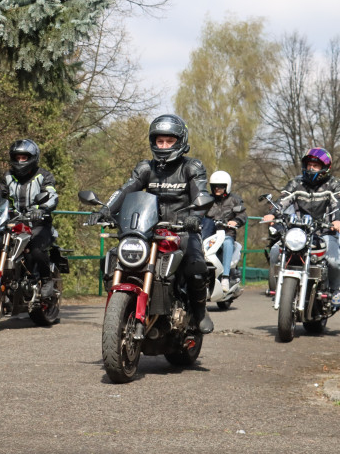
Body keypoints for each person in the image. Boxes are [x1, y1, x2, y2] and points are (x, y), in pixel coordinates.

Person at [96, 114, 215, 334]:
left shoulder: (192, 167)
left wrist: (195, 217)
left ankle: (199, 312)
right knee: (113, 258)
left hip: (181, 230)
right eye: (160, 141)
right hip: (148, 230)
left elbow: (201, 194)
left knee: (195, 266)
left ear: (180, 142)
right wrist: (105, 210)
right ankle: (124, 308)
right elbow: (126, 190)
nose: (164, 146)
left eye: (169, 141)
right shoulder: (145, 168)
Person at [262, 147, 340, 307]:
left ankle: (336, 290)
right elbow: (284, 199)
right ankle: (276, 286)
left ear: (325, 168)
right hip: (299, 232)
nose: (311, 168)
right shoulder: (296, 183)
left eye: (315, 165)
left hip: (324, 231)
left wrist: (337, 220)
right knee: (274, 251)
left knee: (334, 261)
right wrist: (273, 213)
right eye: (309, 165)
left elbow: (338, 203)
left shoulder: (333, 184)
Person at [0, 139, 59, 298]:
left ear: (32, 158)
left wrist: (42, 208)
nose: (20, 161)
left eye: (24, 157)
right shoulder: (7, 176)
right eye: (17, 157)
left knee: (35, 250)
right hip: (13, 222)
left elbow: (51, 194)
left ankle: (46, 279)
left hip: (38, 223)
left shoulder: (44, 175)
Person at [206, 170, 247, 290]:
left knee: (227, 243)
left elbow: (242, 214)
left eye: (221, 186)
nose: (217, 189)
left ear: (227, 186)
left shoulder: (234, 199)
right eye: (215, 186)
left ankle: (225, 277)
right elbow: (199, 212)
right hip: (209, 234)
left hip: (226, 233)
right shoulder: (208, 199)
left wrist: (236, 221)